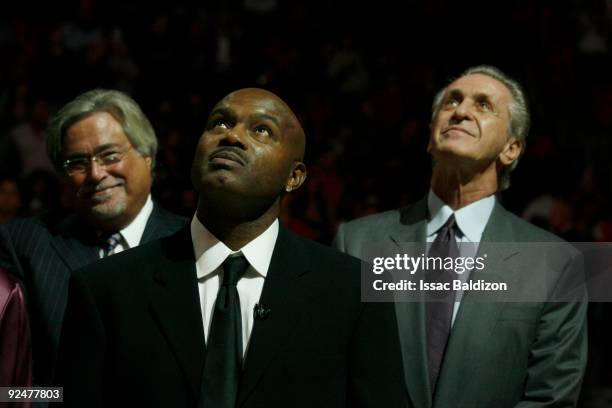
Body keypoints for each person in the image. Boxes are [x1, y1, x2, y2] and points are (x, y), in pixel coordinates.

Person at [54, 88, 407, 408]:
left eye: (262, 130)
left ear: (294, 176)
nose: (233, 136)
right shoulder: (104, 289)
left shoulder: (352, 290)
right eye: (219, 123)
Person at [334, 66, 587, 407]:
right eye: (452, 102)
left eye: (483, 105)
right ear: (430, 136)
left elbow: (550, 397)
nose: (461, 111)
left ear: (511, 149)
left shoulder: (554, 263)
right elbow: (330, 375)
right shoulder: (357, 242)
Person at [0, 89, 187, 385]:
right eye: (77, 162)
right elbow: (10, 392)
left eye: (110, 155)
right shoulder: (25, 243)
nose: (96, 173)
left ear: (148, 156)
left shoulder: (193, 242)